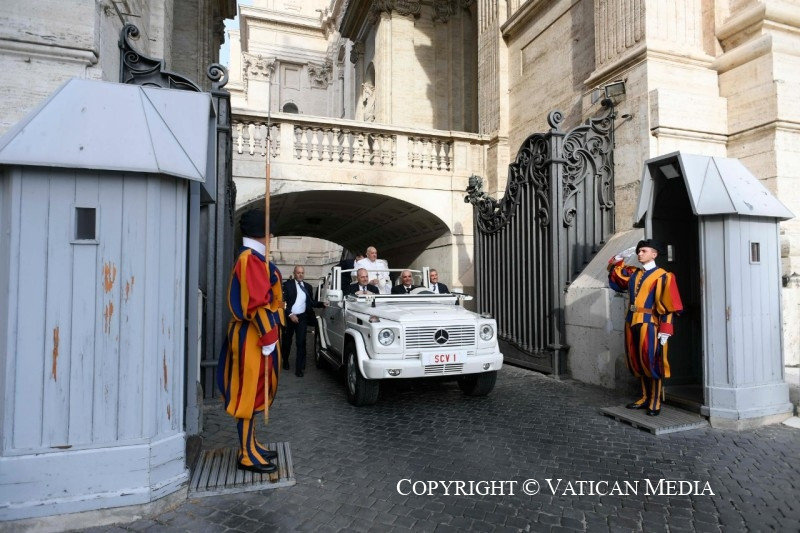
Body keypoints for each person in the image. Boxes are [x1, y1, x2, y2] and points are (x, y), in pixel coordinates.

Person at [217, 209, 284, 474]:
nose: (271, 236)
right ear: (262, 233)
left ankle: (251, 444)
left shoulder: (253, 258)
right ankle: (247, 454)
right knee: (249, 392)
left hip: (254, 333)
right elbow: (257, 304)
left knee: (255, 391)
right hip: (254, 335)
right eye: (269, 232)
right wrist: (269, 336)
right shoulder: (251, 260)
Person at [607, 239, 683, 416]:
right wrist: (618, 258)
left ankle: (655, 400)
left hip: (650, 324)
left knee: (651, 361)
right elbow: (616, 276)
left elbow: (669, 306)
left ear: (654, 254)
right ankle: (644, 397)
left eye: (644, 251)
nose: (639, 254)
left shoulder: (664, 276)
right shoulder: (634, 273)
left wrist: (666, 329)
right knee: (636, 360)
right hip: (631, 321)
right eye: (639, 251)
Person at [282, 265, 327, 377]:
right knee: (287, 342)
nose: (300, 275)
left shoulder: (308, 287)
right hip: (289, 317)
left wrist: (322, 304)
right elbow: (282, 302)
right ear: (294, 273)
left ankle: (299, 368)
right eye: (298, 273)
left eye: (302, 273)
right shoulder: (287, 285)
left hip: (302, 318)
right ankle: (285, 360)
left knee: (301, 342)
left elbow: (311, 302)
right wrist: (290, 314)